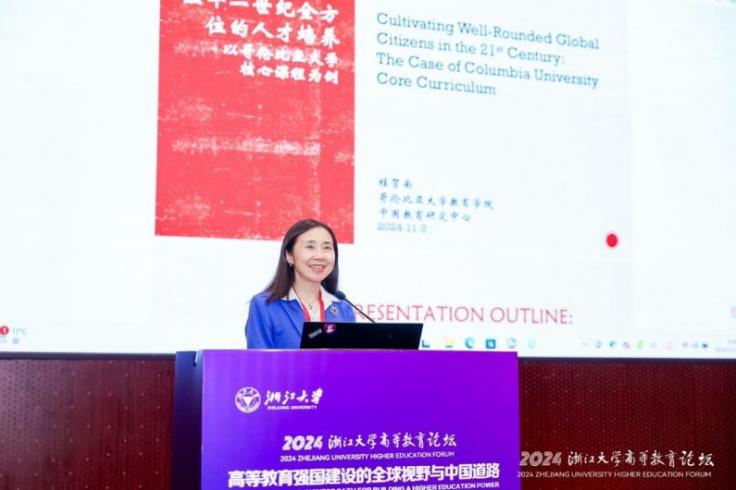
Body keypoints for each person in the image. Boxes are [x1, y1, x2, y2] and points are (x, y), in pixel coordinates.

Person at [245, 219, 356, 349]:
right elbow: (258, 359)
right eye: (310, 247)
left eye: (327, 248)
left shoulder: (344, 309)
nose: (320, 256)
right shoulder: (265, 306)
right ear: (289, 256)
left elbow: (351, 359)